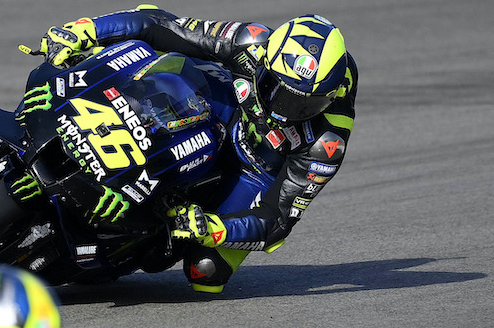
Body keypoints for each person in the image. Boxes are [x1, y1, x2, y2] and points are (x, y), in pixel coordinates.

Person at [32, 5, 358, 293]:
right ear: (265, 61)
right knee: (148, 54)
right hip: (223, 106)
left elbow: (276, 222)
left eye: (305, 106)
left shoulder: (327, 141)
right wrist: (86, 30)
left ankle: (143, 237)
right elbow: (159, 24)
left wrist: (214, 229)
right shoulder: (250, 41)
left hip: (257, 168)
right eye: (279, 92)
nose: (285, 113)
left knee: (206, 272)